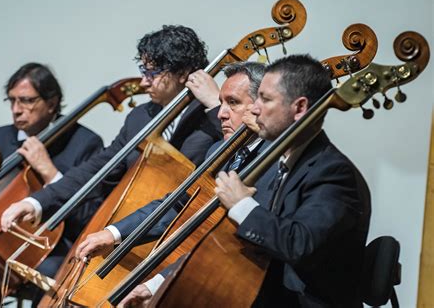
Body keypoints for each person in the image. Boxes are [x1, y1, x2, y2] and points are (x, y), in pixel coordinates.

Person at [120, 55, 371, 308]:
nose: (255, 108)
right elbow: (225, 246)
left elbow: (299, 244)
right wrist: (159, 284)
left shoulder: (331, 171)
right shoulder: (289, 160)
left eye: (266, 99)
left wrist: (242, 205)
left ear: (300, 108)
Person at [0, 26, 222, 299]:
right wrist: (36, 201)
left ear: (183, 73)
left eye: (152, 73)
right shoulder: (140, 116)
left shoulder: (213, 120)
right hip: (119, 247)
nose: (143, 82)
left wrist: (216, 105)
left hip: (169, 247)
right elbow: (99, 167)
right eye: (144, 70)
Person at [74, 61, 265, 260]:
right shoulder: (218, 151)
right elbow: (179, 203)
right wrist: (113, 234)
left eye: (233, 103)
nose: (220, 114)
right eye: (221, 103)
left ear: (260, 106)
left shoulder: (278, 154)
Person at [0, 62, 103, 185]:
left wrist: (49, 172)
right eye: (12, 100)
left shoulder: (85, 144)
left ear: (51, 104)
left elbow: (90, 203)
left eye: (26, 101)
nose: (16, 110)